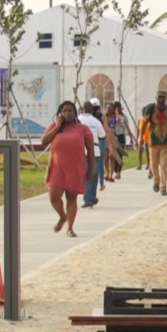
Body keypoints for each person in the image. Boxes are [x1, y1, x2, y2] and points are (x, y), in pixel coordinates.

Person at [41, 101, 94, 237]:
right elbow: (44, 140)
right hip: (57, 168)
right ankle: (62, 216)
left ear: (75, 113)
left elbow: (91, 150)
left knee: (72, 199)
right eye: (64, 111)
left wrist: (91, 170)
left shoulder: (82, 128)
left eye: (70, 111)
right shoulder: (54, 126)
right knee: (54, 197)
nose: (67, 114)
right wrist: (58, 126)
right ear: (59, 113)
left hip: (75, 168)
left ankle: (70, 228)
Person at [142, 90, 167, 196]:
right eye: (160, 97)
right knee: (153, 164)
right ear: (156, 98)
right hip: (153, 142)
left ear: (166, 98)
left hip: (166, 143)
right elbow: (144, 124)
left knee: (164, 165)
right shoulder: (150, 109)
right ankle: (156, 180)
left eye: (163, 97)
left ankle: (163, 187)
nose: (161, 99)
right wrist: (140, 137)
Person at [78, 101, 107, 209]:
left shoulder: (78, 120)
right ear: (92, 110)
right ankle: (91, 197)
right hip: (95, 150)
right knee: (94, 175)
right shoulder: (96, 122)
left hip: (82, 150)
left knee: (86, 174)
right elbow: (102, 135)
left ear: (82, 109)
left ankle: (88, 198)